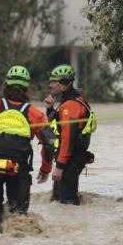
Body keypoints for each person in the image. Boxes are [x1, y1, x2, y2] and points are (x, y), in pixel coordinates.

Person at [0, 66, 56, 234]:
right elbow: (50, 143)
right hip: (19, 169)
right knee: (18, 216)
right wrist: (46, 169)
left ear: (5, 85)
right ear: (26, 89)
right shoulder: (35, 113)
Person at [44, 64, 95, 205]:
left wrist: (59, 166)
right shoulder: (67, 102)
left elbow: (68, 138)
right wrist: (49, 110)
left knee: (68, 203)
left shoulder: (71, 106)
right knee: (57, 200)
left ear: (64, 84)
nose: (50, 85)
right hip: (66, 158)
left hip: (70, 160)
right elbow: (54, 131)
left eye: (53, 82)